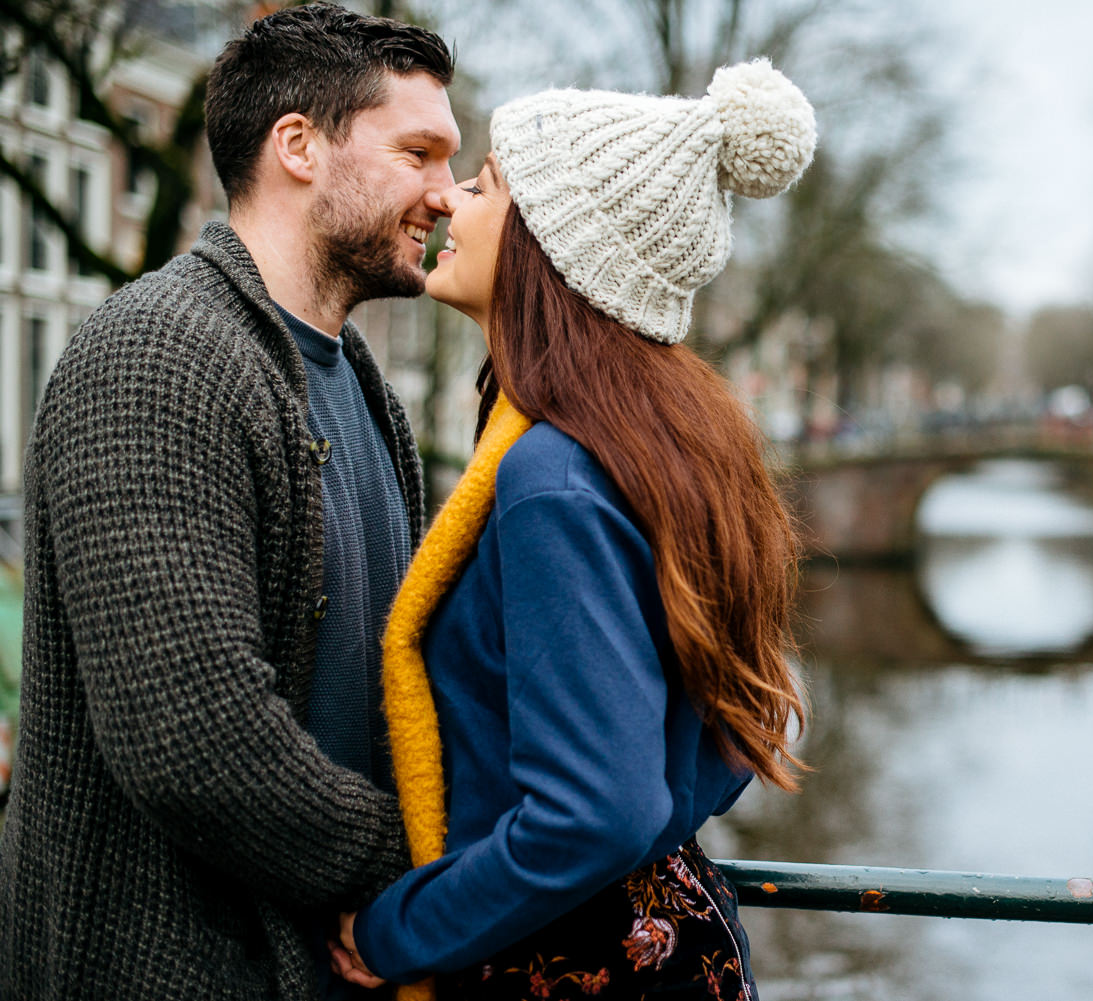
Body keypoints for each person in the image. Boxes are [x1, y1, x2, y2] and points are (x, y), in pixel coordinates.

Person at [325, 61, 817, 1000]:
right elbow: (743, 715)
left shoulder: (550, 477)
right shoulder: (668, 448)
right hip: (665, 934)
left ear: (552, 244)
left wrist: (403, 927)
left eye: (487, 185)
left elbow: (597, 810)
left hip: (562, 962)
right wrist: (656, 820)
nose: (451, 200)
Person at [0, 5, 462, 1000]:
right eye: (419, 152)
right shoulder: (155, 355)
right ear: (298, 144)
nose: (447, 195)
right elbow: (193, 739)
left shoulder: (364, 387)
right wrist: (421, 859)